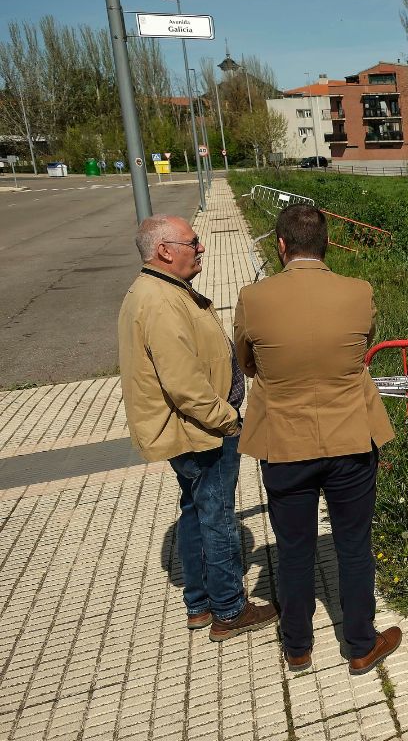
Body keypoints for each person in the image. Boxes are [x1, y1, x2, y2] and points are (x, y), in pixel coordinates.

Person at [233, 204, 400, 675]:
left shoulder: (253, 297)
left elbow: (246, 361)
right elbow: (365, 344)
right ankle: (361, 644)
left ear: (280, 245)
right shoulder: (358, 291)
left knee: (292, 547)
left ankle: (298, 647)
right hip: (351, 435)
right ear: (325, 245)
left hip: (283, 442)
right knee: (353, 543)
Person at [118, 214, 278, 641]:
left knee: (194, 510)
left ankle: (199, 604)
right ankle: (229, 609)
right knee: (217, 516)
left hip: (191, 429)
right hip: (201, 431)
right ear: (165, 251)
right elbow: (185, 385)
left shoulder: (161, 290)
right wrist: (229, 420)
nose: (201, 247)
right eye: (193, 242)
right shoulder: (160, 301)